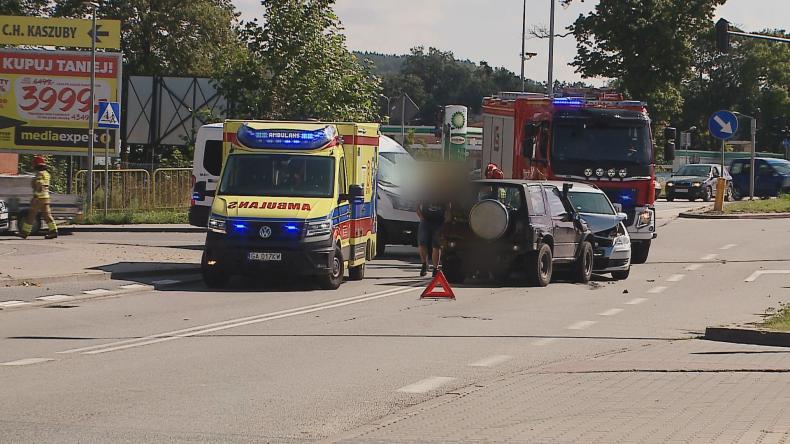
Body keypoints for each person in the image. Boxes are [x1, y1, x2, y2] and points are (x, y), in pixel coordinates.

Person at [19, 155, 57, 239]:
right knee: (47, 215)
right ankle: (54, 231)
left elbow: (39, 184)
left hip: (39, 198)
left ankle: (25, 232)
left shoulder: (39, 174)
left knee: (31, 215)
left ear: (37, 165)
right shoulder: (47, 174)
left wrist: (36, 196)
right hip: (46, 197)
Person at [417, 193, 449, 277]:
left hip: (439, 222)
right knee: (422, 242)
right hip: (426, 221)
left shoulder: (444, 194)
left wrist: (445, 220)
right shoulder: (425, 192)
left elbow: (448, 208)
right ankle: (424, 265)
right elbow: (417, 205)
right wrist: (421, 217)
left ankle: (435, 268)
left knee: (436, 245)